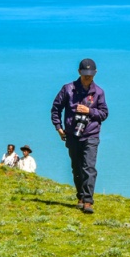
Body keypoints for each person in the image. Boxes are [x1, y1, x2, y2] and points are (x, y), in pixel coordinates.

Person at [50, 58, 109, 214]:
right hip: (72, 135)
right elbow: (56, 108)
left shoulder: (99, 93)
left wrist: (89, 111)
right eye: (85, 74)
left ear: (95, 73)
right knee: (77, 167)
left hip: (91, 134)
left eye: (90, 74)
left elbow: (104, 114)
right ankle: (81, 197)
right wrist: (59, 128)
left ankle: (88, 201)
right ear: (79, 72)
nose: (88, 77)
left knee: (89, 167)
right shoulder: (67, 89)